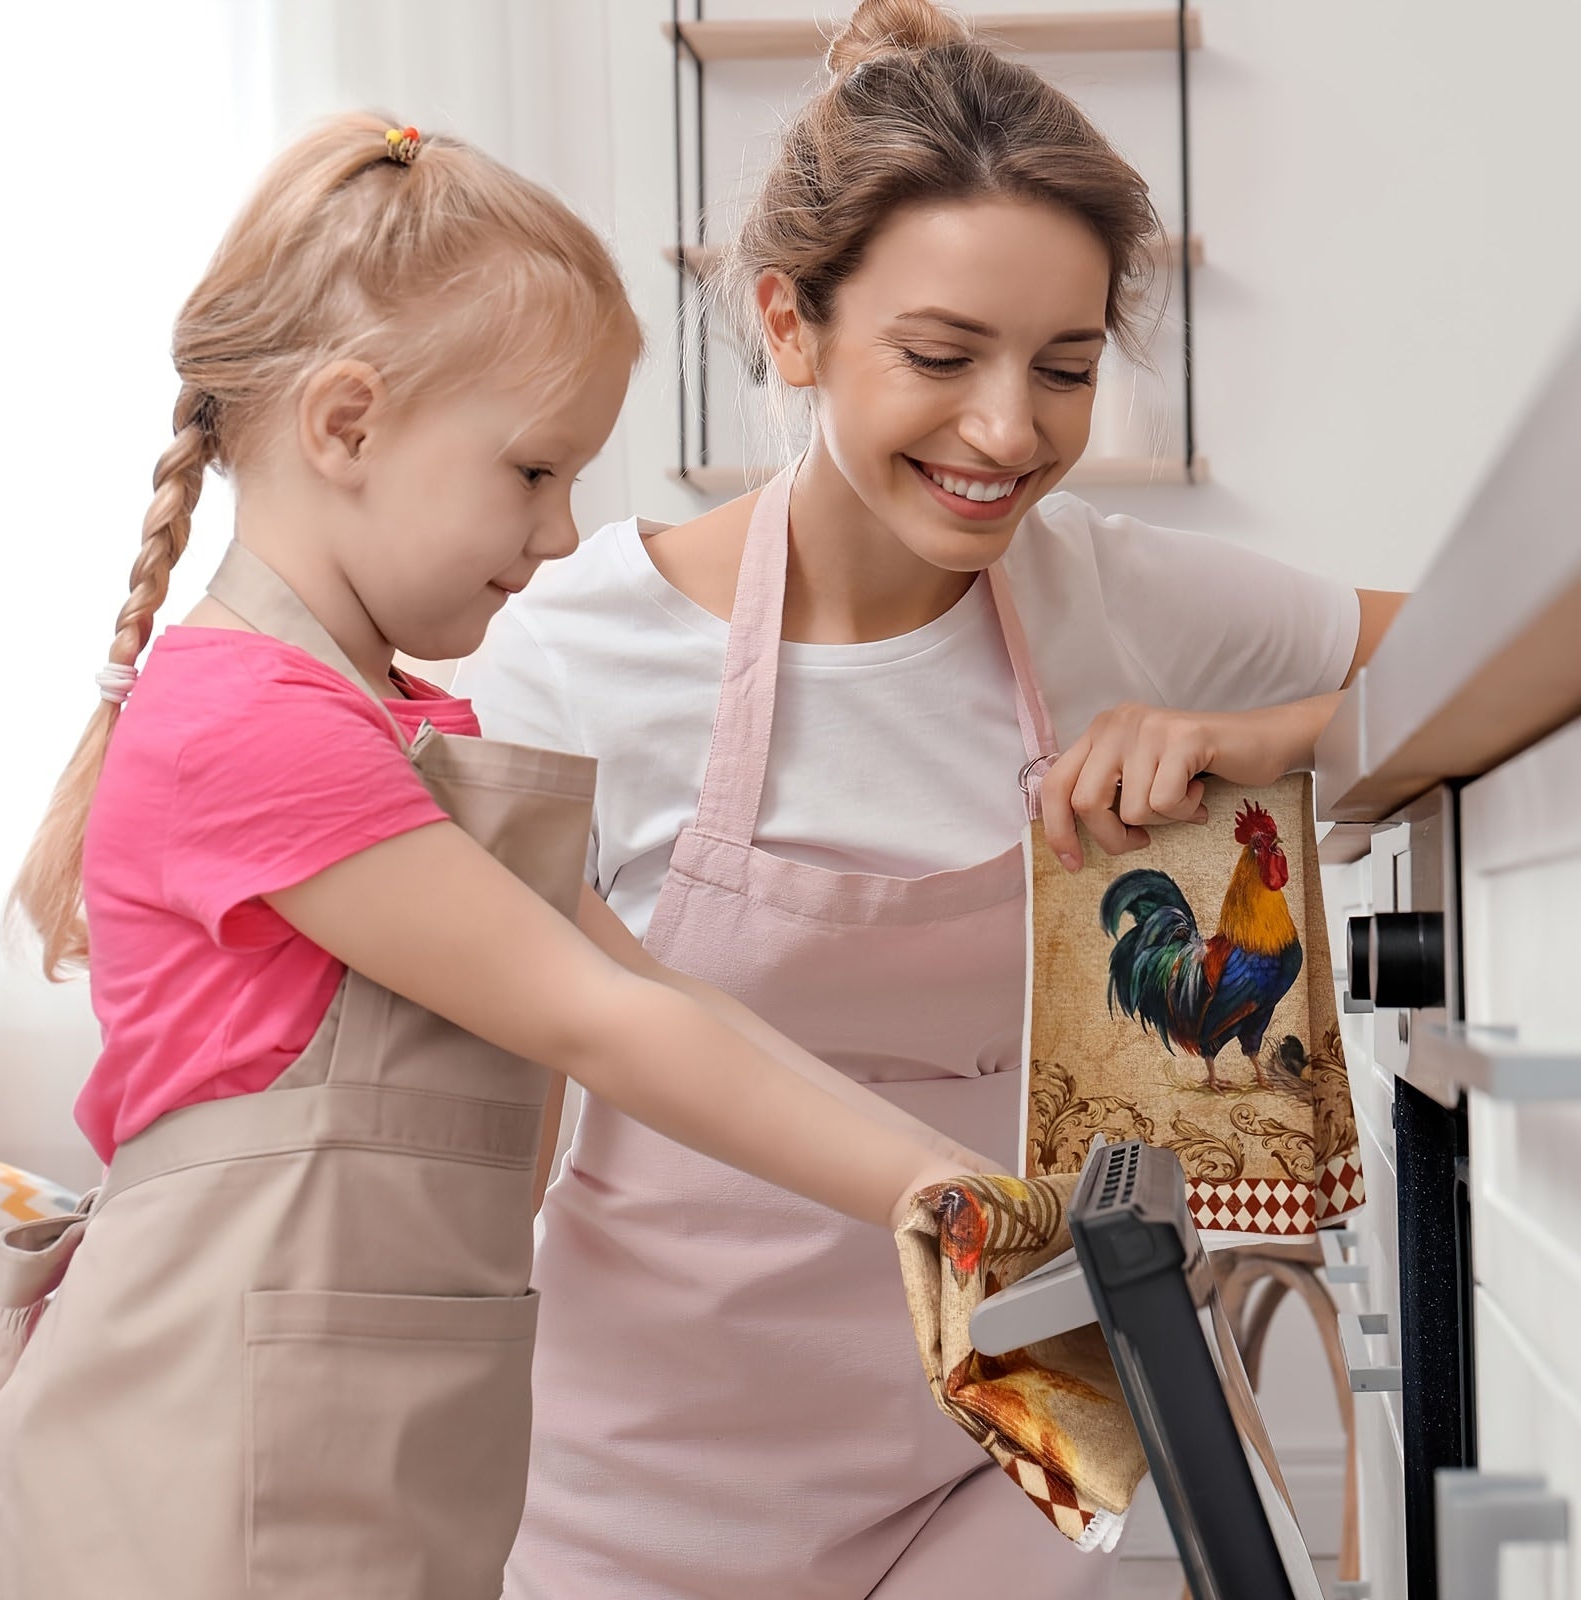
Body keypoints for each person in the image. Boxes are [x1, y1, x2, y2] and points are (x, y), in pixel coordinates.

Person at [456, 3, 1407, 1596]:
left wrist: (1269, 736)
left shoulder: (1116, 599)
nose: (1008, 431)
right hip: (643, 1480)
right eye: (941, 357)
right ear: (790, 322)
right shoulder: (571, 655)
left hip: (1025, 1441)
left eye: (1067, 367)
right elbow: (497, 1120)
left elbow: (1515, 646)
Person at [0, 113, 984, 1600]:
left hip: (368, 1437)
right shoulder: (246, 721)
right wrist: (946, 1206)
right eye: (530, 472)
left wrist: (968, 1181)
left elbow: (661, 990)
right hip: (203, 1459)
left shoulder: (397, 721)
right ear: (345, 425)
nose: (563, 530)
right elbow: (597, 1021)